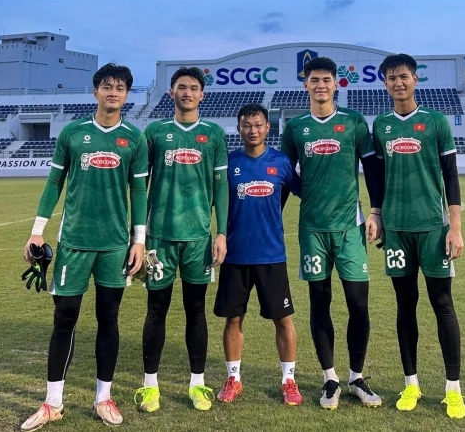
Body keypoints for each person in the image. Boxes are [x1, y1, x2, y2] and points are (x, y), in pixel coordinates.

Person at [20, 63, 148, 430]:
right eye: (107, 86)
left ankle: (103, 398)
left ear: (127, 94)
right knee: (64, 319)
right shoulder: (73, 133)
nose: (113, 92)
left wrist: (139, 241)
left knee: (109, 319)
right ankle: (52, 403)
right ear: (96, 91)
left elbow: (139, 190)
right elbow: (53, 183)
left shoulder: (134, 139)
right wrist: (37, 231)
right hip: (74, 242)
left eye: (120, 87)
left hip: (114, 246)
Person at [280, 56, 384, 410]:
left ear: (336, 84)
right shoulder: (296, 128)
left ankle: (356, 377)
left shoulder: (354, 122)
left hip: (350, 227)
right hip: (312, 229)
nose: (320, 85)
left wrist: (375, 211)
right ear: (306, 85)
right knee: (319, 301)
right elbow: (284, 176)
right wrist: (272, 217)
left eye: (326, 79)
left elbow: (371, 168)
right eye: (314, 80)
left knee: (358, 303)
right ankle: (330, 378)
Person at [372, 53, 465, 419]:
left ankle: (453, 389)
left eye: (404, 76)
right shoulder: (381, 125)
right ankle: (411, 384)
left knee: (442, 304)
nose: (398, 83)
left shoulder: (436, 122)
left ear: (415, 79)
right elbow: (378, 178)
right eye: (392, 78)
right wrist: (378, 216)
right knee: (405, 305)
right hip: (396, 230)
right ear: (385, 84)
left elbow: (451, 175)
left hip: (433, 228)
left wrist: (455, 227)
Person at [135, 66, 228, 412]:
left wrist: (221, 232)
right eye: (181, 87)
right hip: (159, 238)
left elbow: (221, 186)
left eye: (193, 88)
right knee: (156, 309)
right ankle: (150, 385)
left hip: (198, 239)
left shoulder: (213, 134)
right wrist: (138, 235)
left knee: (196, 310)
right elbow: (140, 186)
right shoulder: (155, 132)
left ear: (202, 94)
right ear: (171, 92)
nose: (187, 93)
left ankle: (197, 383)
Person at [213, 103, 302, 406]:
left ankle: (289, 380)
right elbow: (213, 199)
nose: (253, 130)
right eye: (247, 125)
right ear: (239, 128)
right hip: (235, 255)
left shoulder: (281, 162)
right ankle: (233, 378)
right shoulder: (229, 163)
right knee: (233, 319)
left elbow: (303, 191)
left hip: (271, 255)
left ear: (268, 127)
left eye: (258, 125)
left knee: (283, 319)